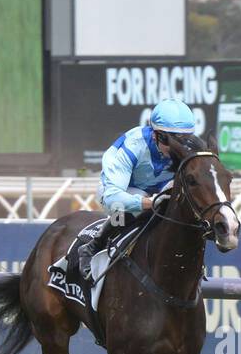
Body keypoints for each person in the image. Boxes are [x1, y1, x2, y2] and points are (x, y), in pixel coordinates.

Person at [81, 97, 196, 281]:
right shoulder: (133, 146)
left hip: (155, 191)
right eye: (169, 139)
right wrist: (149, 203)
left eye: (182, 140)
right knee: (128, 206)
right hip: (117, 192)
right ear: (154, 134)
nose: (176, 147)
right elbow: (112, 197)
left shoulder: (187, 149)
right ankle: (93, 246)